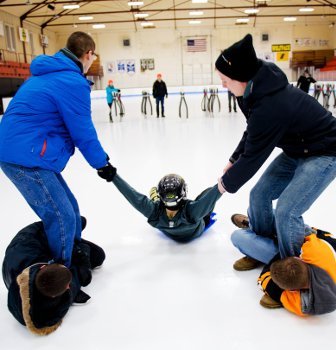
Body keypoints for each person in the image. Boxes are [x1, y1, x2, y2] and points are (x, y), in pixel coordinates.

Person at [215, 34, 336, 263]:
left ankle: (291, 269)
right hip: (298, 148)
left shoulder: (271, 104)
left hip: (327, 151)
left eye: (225, 79)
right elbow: (252, 131)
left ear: (240, 78)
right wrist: (233, 159)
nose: (222, 84)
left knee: (287, 212)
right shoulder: (250, 92)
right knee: (259, 195)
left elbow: (255, 155)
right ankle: (261, 247)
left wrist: (224, 185)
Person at [0, 31, 116, 267]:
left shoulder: (47, 74)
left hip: (26, 151)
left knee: (70, 208)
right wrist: (101, 163)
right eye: (92, 58)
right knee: (60, 214)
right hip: (24, 156)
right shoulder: (71, 81)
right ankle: (62, 273)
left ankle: (74, 254)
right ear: (88, 54)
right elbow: (82, 131)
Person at [2, 217, 106, 335]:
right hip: (37, 260)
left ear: (43, 266)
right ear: (54, 296)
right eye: (67, 286)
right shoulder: (50, 309)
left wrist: (71, 225)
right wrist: (82, 260)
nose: (68, 287)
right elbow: (72, 287)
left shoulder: (28, 245)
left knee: (92, 251)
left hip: (35, 241)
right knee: (96, 256)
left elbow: (50, 224)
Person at [250, 228, 336, 315]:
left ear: (293, 290)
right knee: (286, 223)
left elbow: (265, 279)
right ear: (299, 259)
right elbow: (313, 232)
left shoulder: (302, 302)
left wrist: (279, 255)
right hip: (327, 244)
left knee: (237, 237)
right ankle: (260, 225)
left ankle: (257, 225)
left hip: (328, 247)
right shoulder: (313, 250)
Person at [111, 173, 221, 242]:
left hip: (168, 230)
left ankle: (155, 199)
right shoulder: (192, 212)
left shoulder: (154, 213)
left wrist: (113, 177)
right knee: (207, 193)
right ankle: (155, 199)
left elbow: (133, 196)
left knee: (152, 206)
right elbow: (213, 194)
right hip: (194, 231)